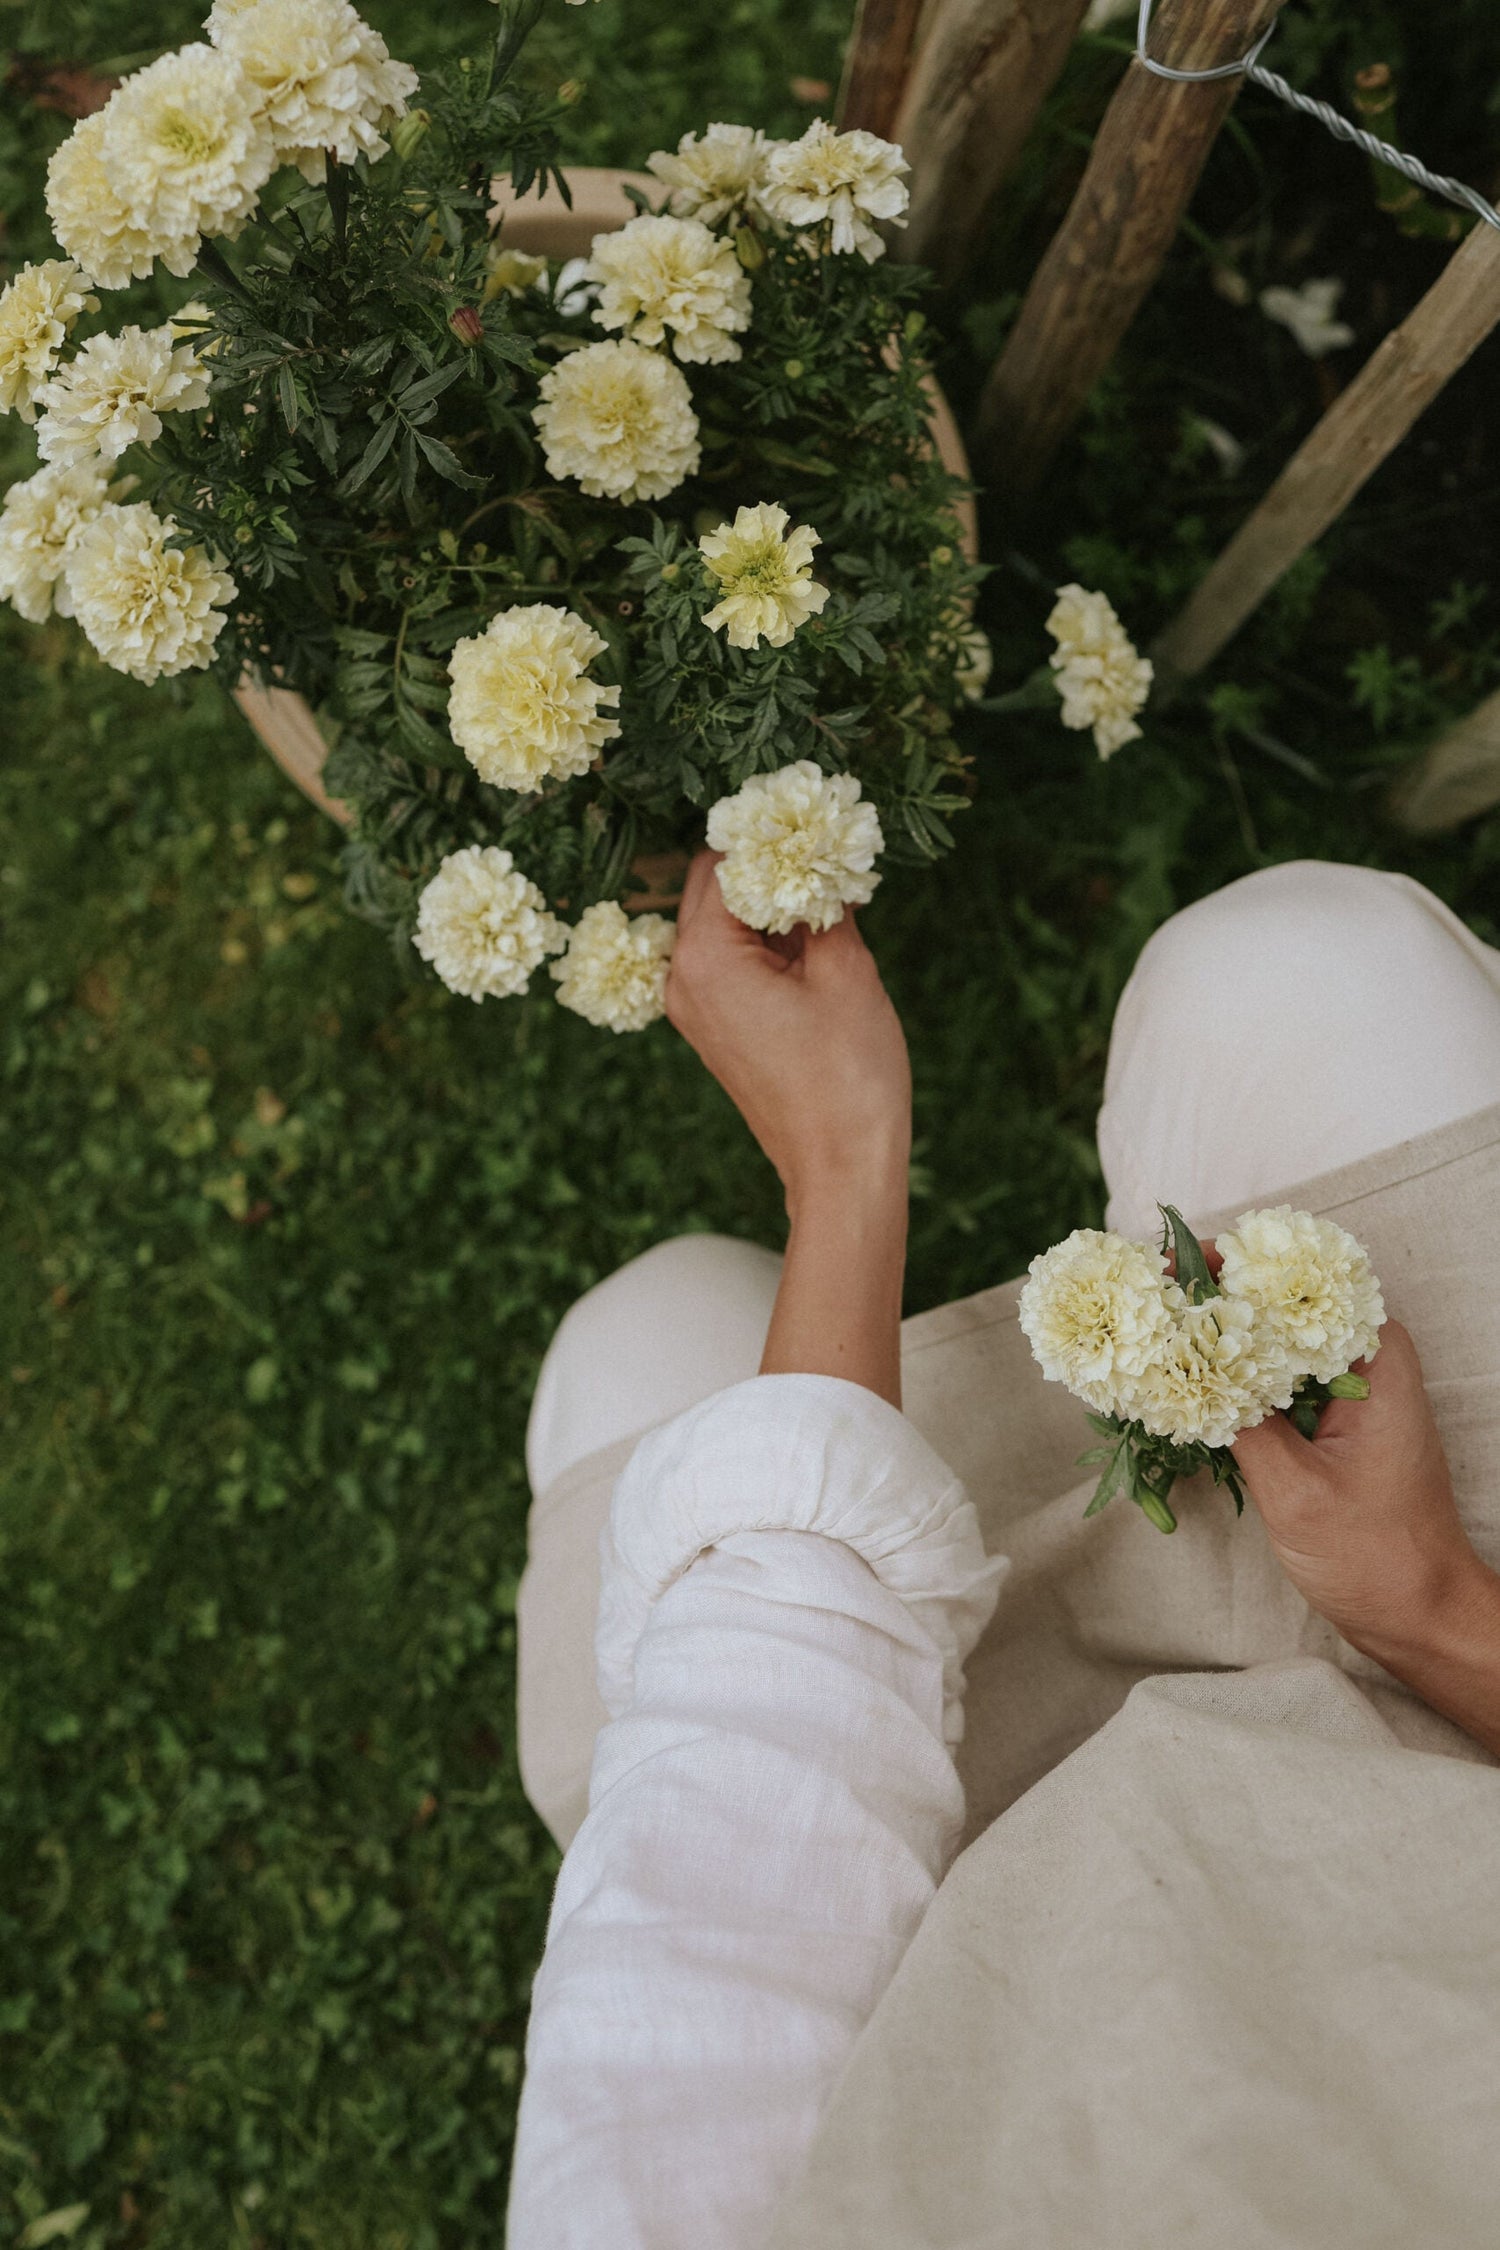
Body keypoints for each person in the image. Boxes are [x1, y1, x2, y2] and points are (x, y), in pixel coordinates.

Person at [507, 854, 1500, 2250]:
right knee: (1307, 968)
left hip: (891, 1896)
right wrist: (1434, 1608)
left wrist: (844, 1168)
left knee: (645, 1340)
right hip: (1427, 1726)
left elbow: (708, 1986)